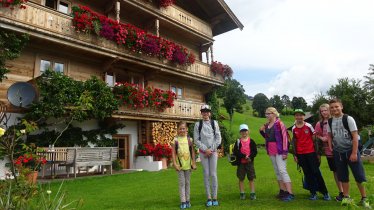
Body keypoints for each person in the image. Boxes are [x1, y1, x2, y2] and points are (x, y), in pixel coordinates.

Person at [327, 98, 368, 207]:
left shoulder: (348, 119)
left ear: (341, 106)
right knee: (343, 176)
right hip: (338, 152)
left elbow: (355, 136)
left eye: (336, 106)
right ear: (330, 109)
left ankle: (364, 198)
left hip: (351, 150)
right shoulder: (330, 121)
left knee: (359, 175)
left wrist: (354, 153)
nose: (334, 109)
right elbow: (329, 135)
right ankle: (346, 197)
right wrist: (331, 146)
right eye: (332, 107)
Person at [291, 109, 331, 201]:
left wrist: (317, 153)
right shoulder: (293, 128)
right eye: (297, 115)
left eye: (300, 115)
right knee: (307, 174)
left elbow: (315, 139)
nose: (299, 117)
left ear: (303, 116)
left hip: (311, 153)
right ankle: (313, 193)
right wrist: (295, 155)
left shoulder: (308, 126)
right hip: (301, 154)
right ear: (295, 117)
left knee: (316, 172)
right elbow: (294, 142)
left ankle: (325, 192)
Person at [259, 107, 294, 201]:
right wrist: (261, 131)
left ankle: (290, 193)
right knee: (277, 171)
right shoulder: (267, 125)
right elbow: (267, 137)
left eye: (268, 113)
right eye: (266, 114)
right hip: (271, 150)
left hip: (280, 150)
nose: (267, 115)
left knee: (282, 170)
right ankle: (282, 191)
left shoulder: (280, 124)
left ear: (274, 114)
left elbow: (285, 138)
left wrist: (285, 152)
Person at [194, 104, 221, 207]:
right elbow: (196, 140)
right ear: (201, 113)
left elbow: (218, 138)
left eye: (207, 111)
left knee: (213, 174)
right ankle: (209, 198)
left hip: (213, 152)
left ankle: (215, 197)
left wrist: (211, 149)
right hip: (203, 153)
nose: (205, 113)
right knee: (206, 173)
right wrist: (205, 149)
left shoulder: (215, 123)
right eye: (203, 111)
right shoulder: (198, 124)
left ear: (210, 113)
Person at [314, 103, 343, 201]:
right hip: (329, 151)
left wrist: (329, 138)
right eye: (322, 111)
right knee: (335, 171)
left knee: (342, 171)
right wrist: (323, 138)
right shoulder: (320, 124)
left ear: (329, 110)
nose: (324, 112)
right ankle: (341, 192)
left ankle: (346, 193)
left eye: (325, 110)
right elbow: (316, 135)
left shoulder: (335, 120)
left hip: (340, 149)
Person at [171, 121, 197, 209]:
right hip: (180, 166)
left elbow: (192, 152)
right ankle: (183, 201)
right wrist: (175, 164)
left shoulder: (189, 140)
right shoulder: (175, 140)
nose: (182, 130)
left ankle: (188, 200)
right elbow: (173, 153)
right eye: (180, 129)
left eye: (183, 128)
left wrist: (194, 163)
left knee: (187, 183)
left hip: (188, 165)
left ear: (187, 129)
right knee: (182, 183)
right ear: (177, 130)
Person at [233, 124, 257, 200]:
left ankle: (252, 193)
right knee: (241, 178)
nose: (244, 133)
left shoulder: (252, 141)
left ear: (248, 131)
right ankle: (242, 193)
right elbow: (236, 151)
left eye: (245, 131)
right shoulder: (238, 141)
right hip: (241, 163)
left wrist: (249, 157)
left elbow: (254, 151)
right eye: (242, 131)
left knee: (251, 178)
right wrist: (244, 156)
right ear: (240, 132)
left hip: (249, 163)